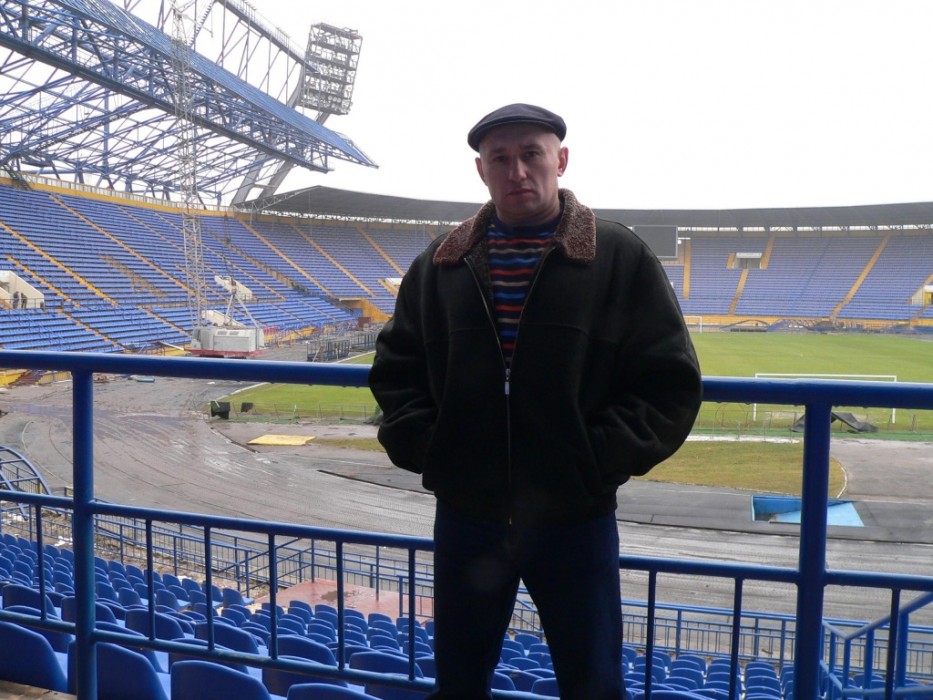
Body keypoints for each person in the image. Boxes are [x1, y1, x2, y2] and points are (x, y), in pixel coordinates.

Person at [369, 103, 703, 699]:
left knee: (593, 684)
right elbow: (396, 372)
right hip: (468, 514)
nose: (517, 170)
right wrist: (433, 451)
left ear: (561, 160)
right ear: (481, 170)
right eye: (500, 158)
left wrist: (593, 460)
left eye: (531, 154)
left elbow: (669, 382)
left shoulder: (619, 257)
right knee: (459, 682)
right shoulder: (441, 264)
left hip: (574, 517)